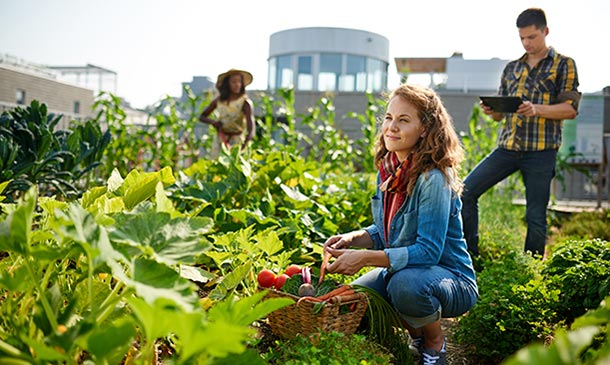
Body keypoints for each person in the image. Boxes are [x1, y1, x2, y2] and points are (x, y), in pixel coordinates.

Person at [323, 84, 478, 365]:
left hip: (450, 279)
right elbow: (385, 233)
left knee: (404, 286)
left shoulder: (434, 179)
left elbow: (428, 252)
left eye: (403, 120)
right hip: (405, 271)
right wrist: (351, 239)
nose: (391, 127)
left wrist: (365, 259)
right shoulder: (389, 169)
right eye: (388, 118)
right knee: (357, 300)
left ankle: (434, 343)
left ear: (425, 128)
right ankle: (415, 333)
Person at [461, 8, 581, 257]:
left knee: (535, 215)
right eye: (522, 38)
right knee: (465, 192)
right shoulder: (511, 68)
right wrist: (492, 110)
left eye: (532, 37)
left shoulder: (563, 65)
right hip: (508, 148)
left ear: (545, 32)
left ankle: (532, 268)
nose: (527, 43)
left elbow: (569, 110)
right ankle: (470, 257)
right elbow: (500, 115)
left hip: (541, 151)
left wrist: (536, 109)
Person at [198, 68, 255, 156]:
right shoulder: (219, 101)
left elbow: (251, 128)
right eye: (234, 82)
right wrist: (213, 122)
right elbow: (202, 117)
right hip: (220, 138)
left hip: (237, 140)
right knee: (216, 164)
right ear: (227, 84)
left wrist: (246, 143)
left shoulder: (245, 102)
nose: (237, 85)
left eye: (239, 82)